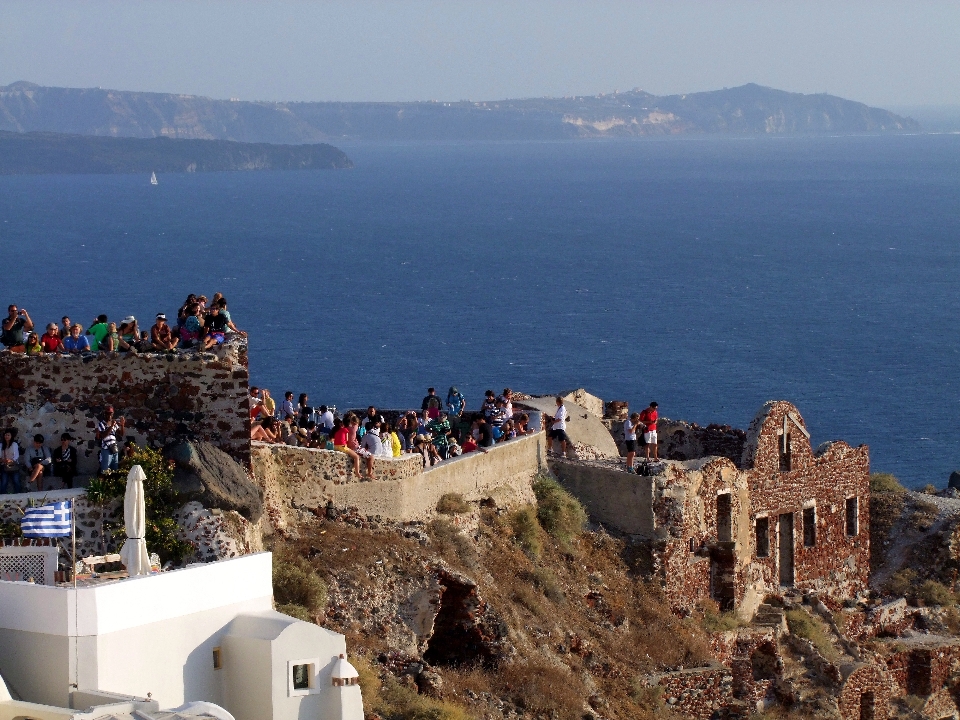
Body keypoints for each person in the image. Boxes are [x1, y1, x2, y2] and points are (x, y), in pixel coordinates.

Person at [96, 405, 125, 474]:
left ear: (113, 414)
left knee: (115, 470)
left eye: (111, 414)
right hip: (106, 449)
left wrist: (122, 425)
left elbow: (121, 434)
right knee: (105, 471)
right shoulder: (101, 424)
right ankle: (102, 484)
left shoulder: (114, 423)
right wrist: (111, 426)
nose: (109, 416)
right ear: (104, 414)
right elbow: (103, 435)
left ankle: (112, 483)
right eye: (107, 414)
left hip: (114, 448)